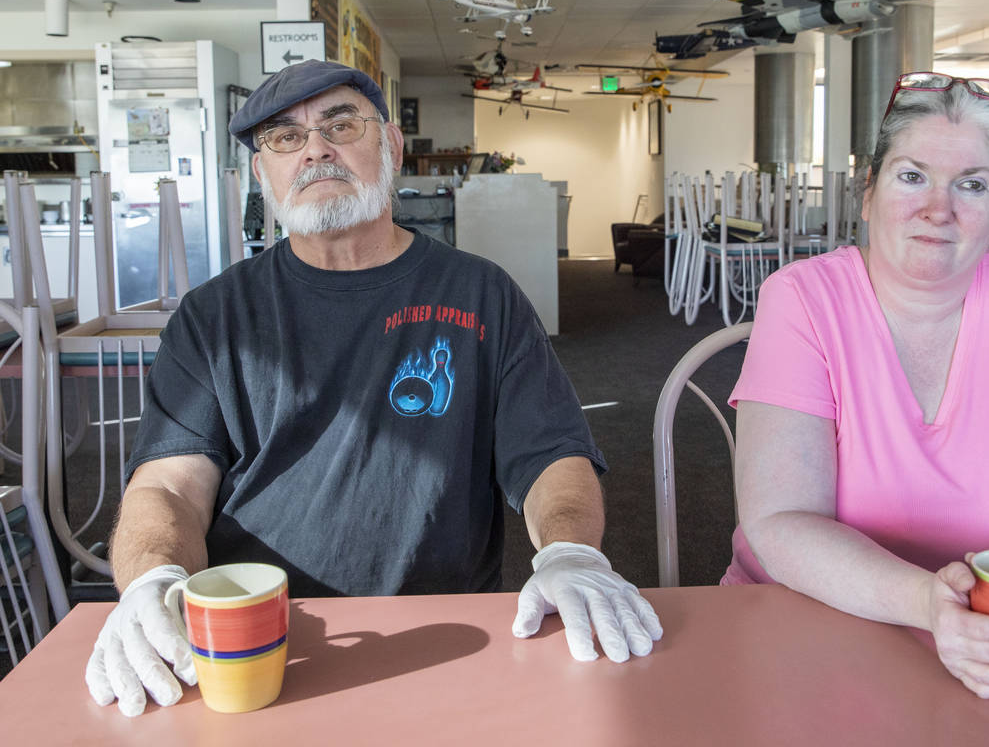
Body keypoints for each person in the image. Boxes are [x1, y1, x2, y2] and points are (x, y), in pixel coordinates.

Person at [84, 60, 661, 718]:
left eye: (340, 124)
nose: (315, 149)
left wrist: (569, 551)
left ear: (388, 145)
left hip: (448, 631)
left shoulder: (480, 294)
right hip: (256, 635)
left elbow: (551, 454)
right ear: (261, 172)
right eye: (284, 137)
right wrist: (153, 580)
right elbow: (168, 485)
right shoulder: (214, 317)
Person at [725, 72, 989, 700]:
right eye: (912, 175)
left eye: (972, 185)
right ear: (867, 193)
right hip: (804, 624)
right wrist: (929, 602)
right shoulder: (802, 297)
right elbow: (781, 519)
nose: (938, 208)